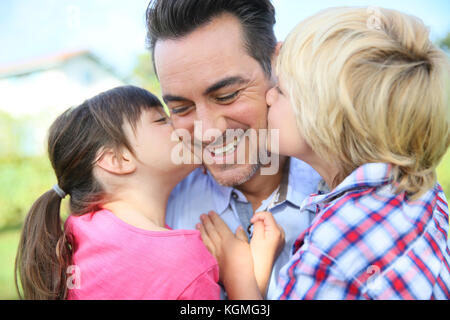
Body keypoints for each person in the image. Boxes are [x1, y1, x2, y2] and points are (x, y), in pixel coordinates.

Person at [199, 7, 450, 299]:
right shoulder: (426, 191)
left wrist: (241, 277)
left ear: (324, 119)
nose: (269, 96)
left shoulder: (331, 249)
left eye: (280, 90)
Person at [146, 0, 322, 299]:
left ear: (277, 65)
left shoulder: (349, 187)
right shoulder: (160, 209)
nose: (207, 131)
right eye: (181, 108)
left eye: (227, 96)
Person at [15, 86, 220, 300]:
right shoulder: (182, 261)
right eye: (161, 120)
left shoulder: (80, 233)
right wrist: (243, 278)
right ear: (117, 160)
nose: (180, 123)